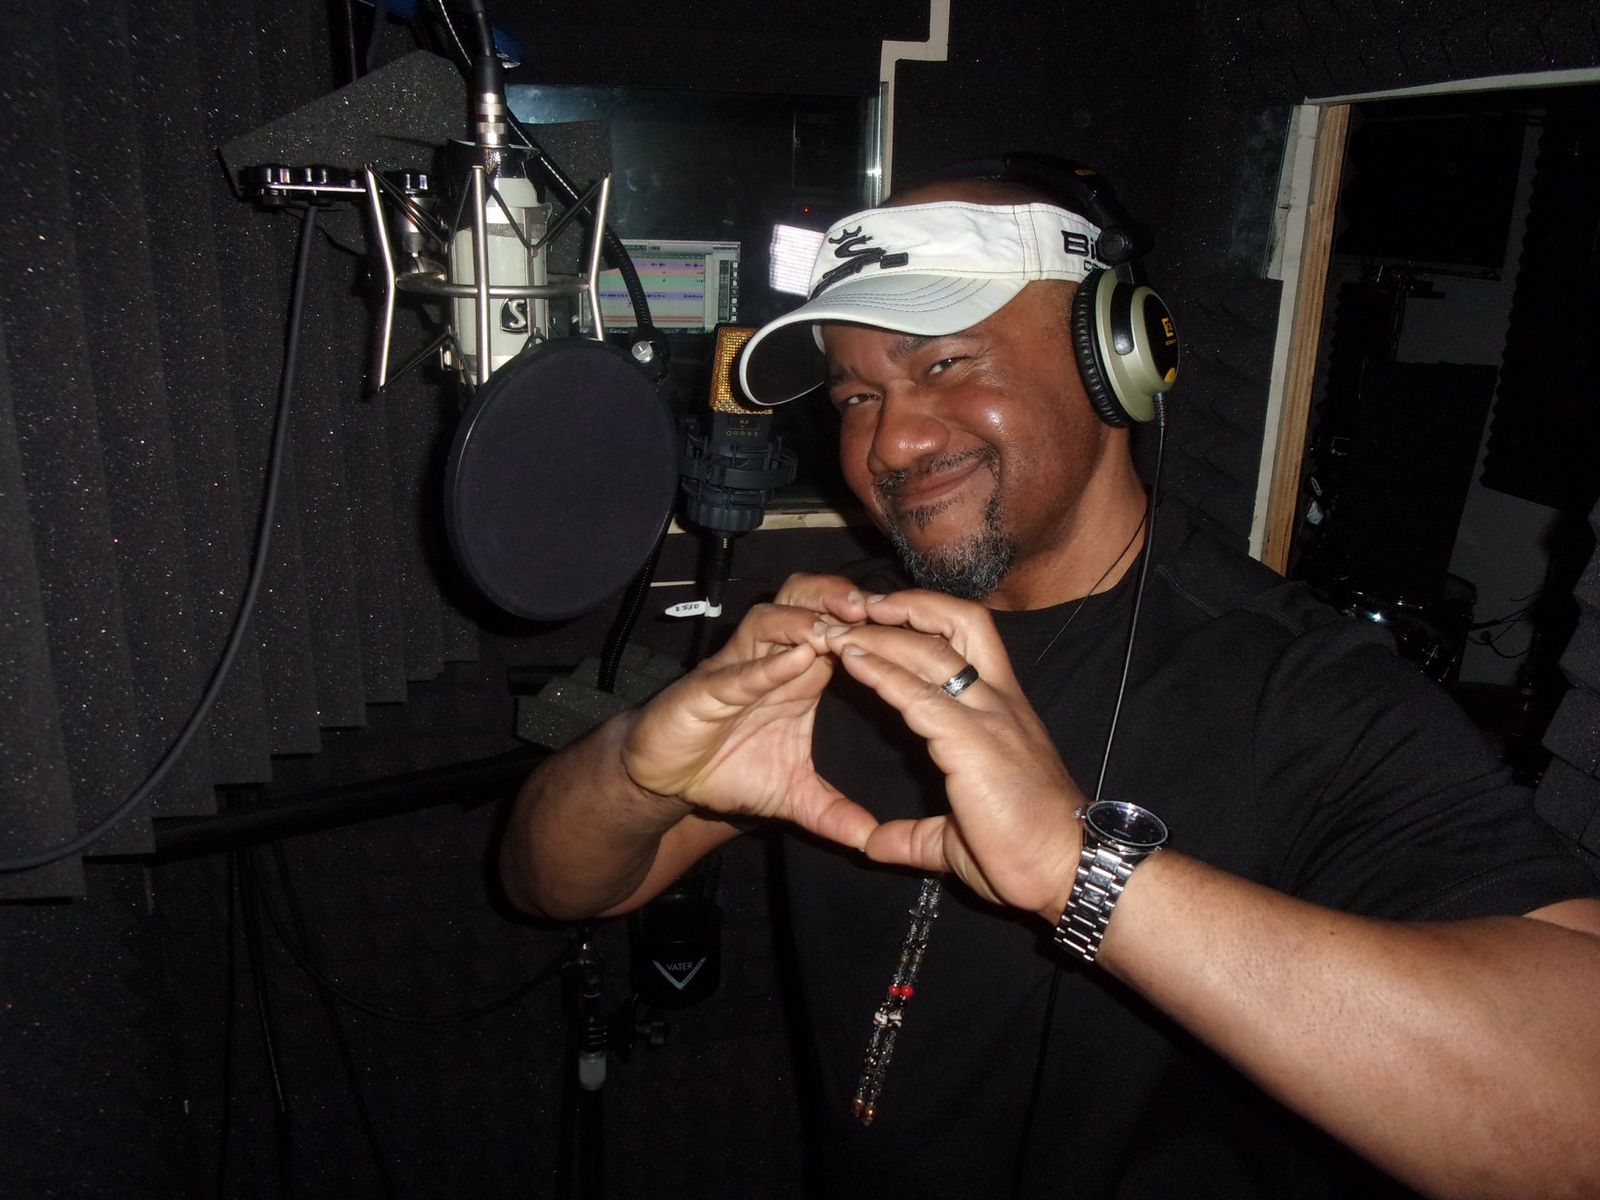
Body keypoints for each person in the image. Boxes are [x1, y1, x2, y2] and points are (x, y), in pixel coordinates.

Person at [500, 154, 1600, 1199]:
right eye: (855, 398)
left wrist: (1084, 872)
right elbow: (552, 886)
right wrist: (635, 770)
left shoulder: (1300, 688)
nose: (890, 443)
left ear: (1114, 358)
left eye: (944, 363)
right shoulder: (838, 633)